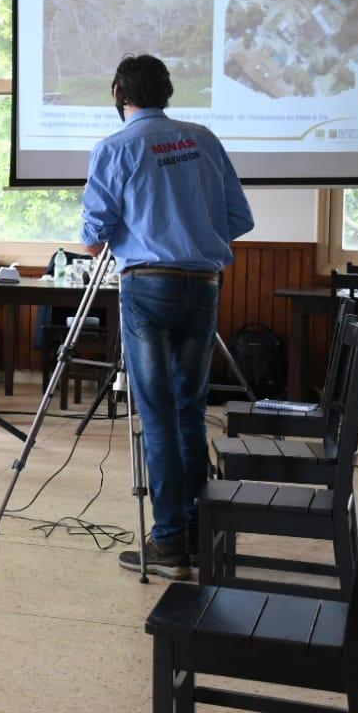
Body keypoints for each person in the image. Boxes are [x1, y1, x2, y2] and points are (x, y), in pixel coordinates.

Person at [81, 54, 253, 580]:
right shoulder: (203, 139)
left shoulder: (115, 147)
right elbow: (238, 221)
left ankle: (170, 541)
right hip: (202, 286)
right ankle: (200, 533)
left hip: (147, 288)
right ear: (168, 92)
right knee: (188, 410)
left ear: (118, 94)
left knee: (155, 413)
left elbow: (94, 238)